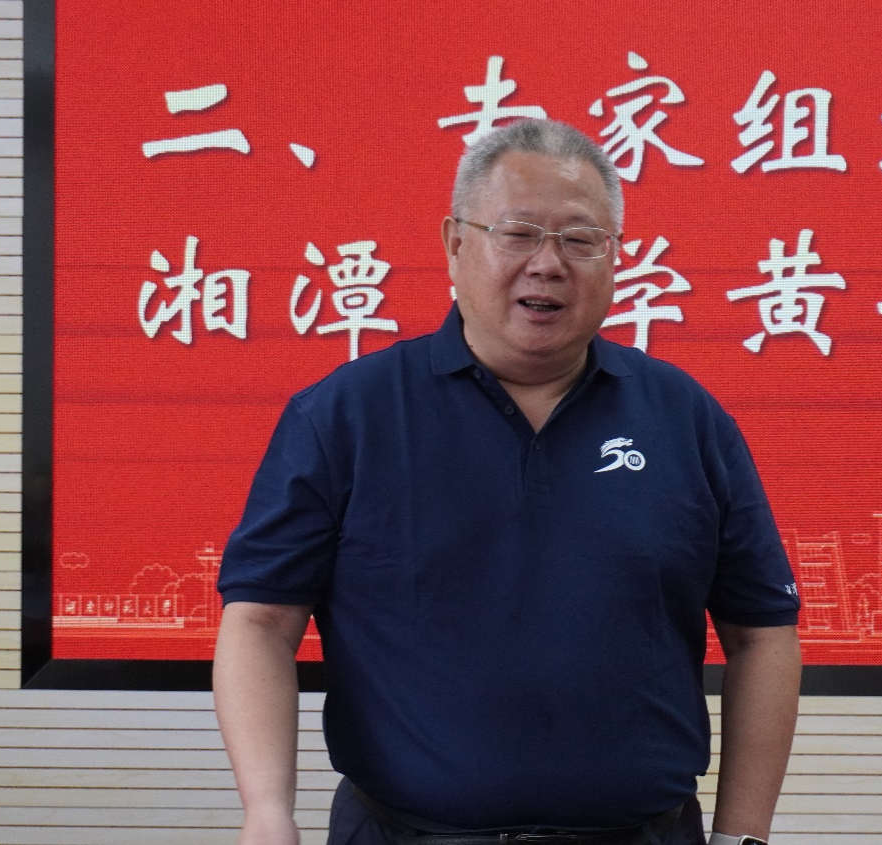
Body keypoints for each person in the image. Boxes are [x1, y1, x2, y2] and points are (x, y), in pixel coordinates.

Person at [214, 119, 802, 845]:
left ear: (615, 257)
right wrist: (267, 810)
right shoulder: (347, 415)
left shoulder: (685, 419)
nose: (547, 265)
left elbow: (762, 633)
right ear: (455, 243)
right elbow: (260, 623)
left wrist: (743, 836)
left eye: (580, 239)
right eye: (518, 234)